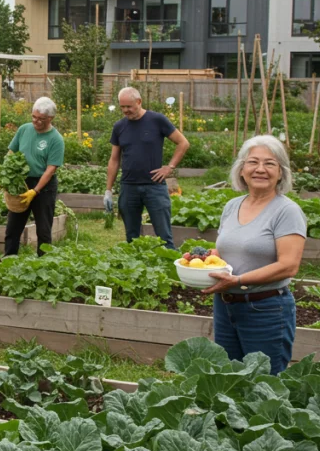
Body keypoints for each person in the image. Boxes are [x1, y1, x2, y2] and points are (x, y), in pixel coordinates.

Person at [201, 135, 306, 375]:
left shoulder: (287, 211)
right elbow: (230, 249)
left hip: (266, 309)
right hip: (226, 306)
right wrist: (206, 259)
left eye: (270, 164)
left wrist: (238, 281)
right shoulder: (233, 206)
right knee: (228, 379)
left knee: (265, 384)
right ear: (241, 170)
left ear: (281, 173)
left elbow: (289, 266)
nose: (260, 169)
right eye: (253, 162)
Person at [104, 86, 190, 249]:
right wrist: (108, 190)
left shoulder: (157, 120)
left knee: (164, 237)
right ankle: (138, 271)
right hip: (129, 187)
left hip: (154, 187)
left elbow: (183, 143)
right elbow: (114, 159)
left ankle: (169, 270)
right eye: (122, 107)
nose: (125, 111)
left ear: (139, 102)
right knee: (132, 238)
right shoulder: (119, 127)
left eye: (129, 106)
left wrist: (169, 167)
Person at [4, 97, 65, 256]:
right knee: (13, 227)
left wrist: (35, 191)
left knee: (43, 229)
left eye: (41, 119)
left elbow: (50, 169)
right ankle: (8, 260)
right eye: (34, 117)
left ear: (50, 118)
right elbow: (11, 152)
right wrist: (8, 173)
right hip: (22, 183)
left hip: (44, 187)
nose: (36, 121)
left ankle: (44, 263)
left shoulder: (56, 139)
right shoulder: (24, 129)